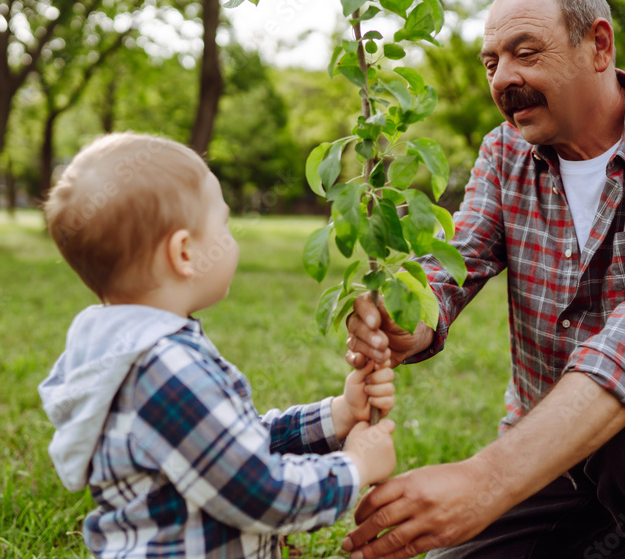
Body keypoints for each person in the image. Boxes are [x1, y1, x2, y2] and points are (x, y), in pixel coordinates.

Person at [341, 0, 625, 559]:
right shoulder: (504, 151)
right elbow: (453, 264)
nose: (504, 78)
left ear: (598, 45)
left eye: (525, 52)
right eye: (491, 63)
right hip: (546, 454)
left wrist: (484, 481)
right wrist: (408, 317)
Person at [37, 132, 396, 558]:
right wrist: (353, 468)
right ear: (185, 253)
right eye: (223, 222)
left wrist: (335, 416)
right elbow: (259, 494)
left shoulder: (141, 352)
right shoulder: (165, 369)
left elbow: (228, 448)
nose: (232, 236)